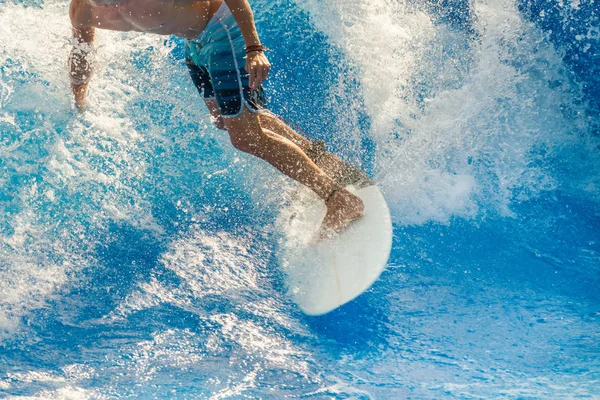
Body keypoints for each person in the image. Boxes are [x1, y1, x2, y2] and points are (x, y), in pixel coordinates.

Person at [68, 0, 366, 237]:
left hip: (223, 31)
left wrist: (254, 48)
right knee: (233, 120)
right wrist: (78, 101)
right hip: (195, 45)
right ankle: (316, 158)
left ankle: (338, 198)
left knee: (245, 136)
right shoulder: (83, 9)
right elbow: (82, 55)